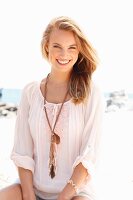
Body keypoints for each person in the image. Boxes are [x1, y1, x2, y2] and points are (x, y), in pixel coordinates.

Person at [0, 16, 103, 200]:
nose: (64, 54)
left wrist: (63, 197)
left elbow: (89, 156)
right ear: (46, 46)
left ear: (79, 51)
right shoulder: (30, 92)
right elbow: (22, 152)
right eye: (57, 46)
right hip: (31, 188)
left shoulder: (91, 93)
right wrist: (29, 195)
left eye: (72, 47)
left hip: (74, 192)